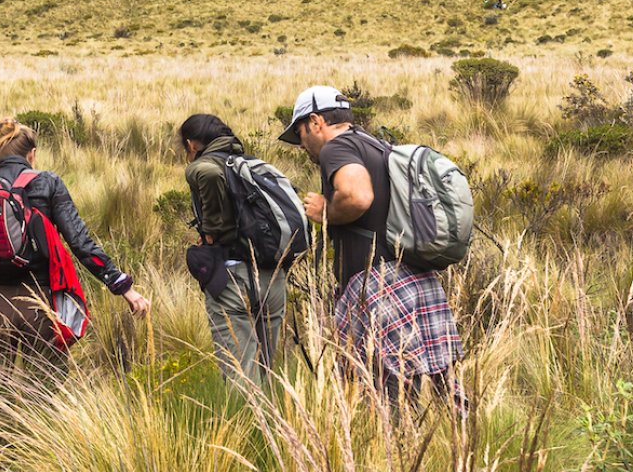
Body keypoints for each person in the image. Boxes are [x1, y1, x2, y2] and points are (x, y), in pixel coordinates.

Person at [279, 85, 463, 407]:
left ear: (316, 121)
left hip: (377, 284)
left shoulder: (335, 149)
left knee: (385, 390)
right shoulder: (376, 145)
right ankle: (462, 445)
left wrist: (327, 211)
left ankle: (393, 453)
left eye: (300, 133)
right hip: (412, 275)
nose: (302, 145)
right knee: (440, 381)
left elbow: (358, 196)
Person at [0, 119, 151, 363]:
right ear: (32, 155)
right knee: (44, 389)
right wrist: (122, 286)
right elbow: (80, 241)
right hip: (39, 302)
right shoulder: (48, 182)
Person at [179, 113, 289, 386]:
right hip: (271, 275)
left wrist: (211, 235)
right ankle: (278, 427)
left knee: (240, 374)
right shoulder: (250, 164)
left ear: (192, 144)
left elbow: (207, 173)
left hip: (233, 278)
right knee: (268, 371)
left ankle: (246, 428)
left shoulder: (202, 166)